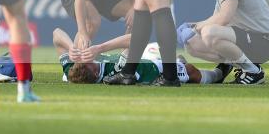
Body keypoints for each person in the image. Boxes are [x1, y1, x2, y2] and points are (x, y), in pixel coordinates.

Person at [51, 28, 205, 85]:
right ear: (96, 73)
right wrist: (100, 48)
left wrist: (71, 47)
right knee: (192, 72)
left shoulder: (70, 70)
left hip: (143, 57)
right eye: (87, 62)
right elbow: (136, 38)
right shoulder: (114, 71)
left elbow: (57, 33)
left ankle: (178, 60)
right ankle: (218, 73)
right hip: (152, 68)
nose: (84, 59)